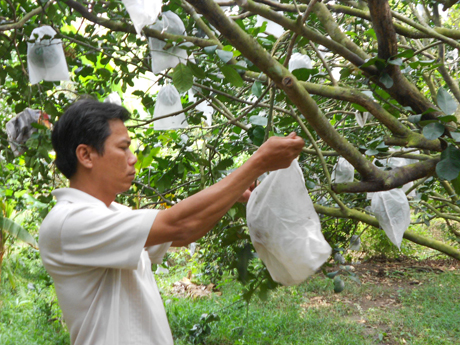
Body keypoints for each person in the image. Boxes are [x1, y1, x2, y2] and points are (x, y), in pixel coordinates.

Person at [39, 98, 305, 345]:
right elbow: (180, 224)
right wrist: (258, 163)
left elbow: (182, 234)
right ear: (85, 155)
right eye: (122, 148)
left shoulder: (112, 212)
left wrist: (233, 191)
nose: (132, 158)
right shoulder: (68, 221)